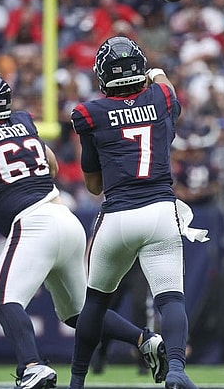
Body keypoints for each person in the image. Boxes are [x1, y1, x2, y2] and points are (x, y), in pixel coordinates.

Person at [0, 72, 165, 389]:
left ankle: (31, 365)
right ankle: (143, 338)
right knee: (78, 312)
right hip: (64, 218)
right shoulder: (23, 123)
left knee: (5, 302)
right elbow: (53, 167)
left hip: (33, 224)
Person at [69, 36, 196, 389]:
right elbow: (169, 93)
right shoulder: (160, 98)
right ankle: (175, 369)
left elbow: (94, 186)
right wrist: (156, 72)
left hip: (118, 215)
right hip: (160, 211)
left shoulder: (89, 113)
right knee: (171, 299)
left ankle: (77, 380)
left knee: (95, 302)